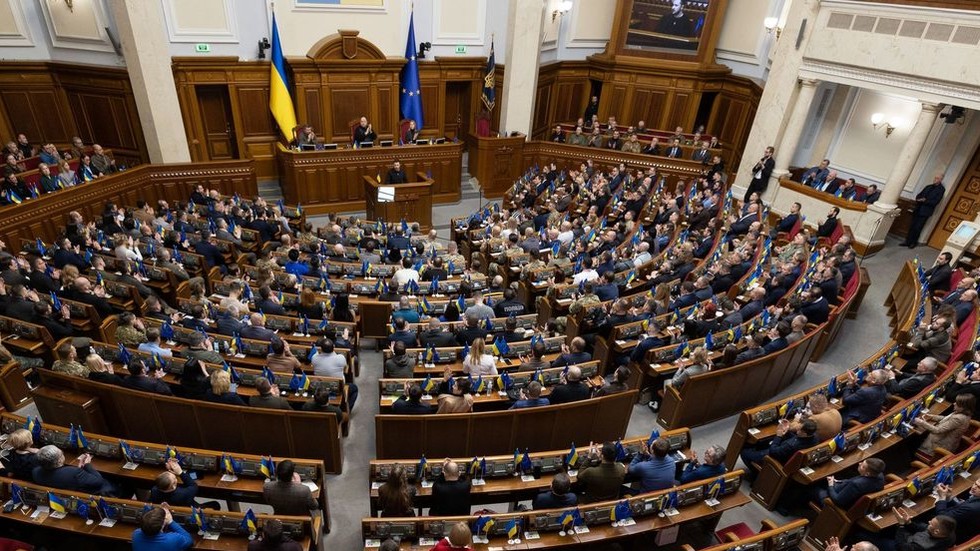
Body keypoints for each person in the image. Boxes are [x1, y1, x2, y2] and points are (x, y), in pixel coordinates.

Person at [739, 419, 818, 476]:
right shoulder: (814, 438)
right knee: (762, 442)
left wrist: (778, 436)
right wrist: (787, 430)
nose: (797, 429)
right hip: (787, 454)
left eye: (799, 429)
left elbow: (773, 452)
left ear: (804, 433)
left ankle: (758, 475)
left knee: (744, 452)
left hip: (775, 459)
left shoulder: (791, 445)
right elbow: (797, 438)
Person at [32, 445, 117, 495]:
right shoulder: (74, 473)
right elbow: (99, 481)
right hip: (94, 494)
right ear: (59, 460)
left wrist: (79, 470)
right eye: (61, 454)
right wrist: (87, 465)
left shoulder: (36, 472)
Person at [816, 458, 886, 509]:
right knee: (823, 481)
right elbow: (853, 480)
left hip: (838, 504)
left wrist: (831, 485)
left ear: (867, 474)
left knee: (814, 488)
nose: (859, 463)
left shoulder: (856, 484)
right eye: (862, 462)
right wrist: (837, 481)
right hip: (849, 493)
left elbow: (838, 500)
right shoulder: (879, 475)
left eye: (863, 466)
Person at [902, 175, 946, 248]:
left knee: (918, 228)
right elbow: (919, 195)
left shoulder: (941, 189)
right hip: (918, 208)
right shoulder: (928, 186)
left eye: (937, 178)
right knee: (912, 226)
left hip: (925, 211)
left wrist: (925, 201)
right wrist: (918, 199)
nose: (935, 179)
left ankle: (913, 242)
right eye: (935, 178)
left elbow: (935, 201)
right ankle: (907, 241)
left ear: (941, 180)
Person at [933, 478, 980, 544]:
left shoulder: (973, 507)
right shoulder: (976, 499)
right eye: (975, 483)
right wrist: (948, 497)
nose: (974, 487)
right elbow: (960, 508)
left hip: (949, 536)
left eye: (979, 487)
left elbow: (941, 519)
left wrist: (942, 498)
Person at [892, 510, 956, 551]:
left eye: (931, 524)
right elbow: (922, 528)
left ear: (936, 531)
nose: (929, 522)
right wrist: (909, 522)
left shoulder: (923, 546)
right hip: (913, 540)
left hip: (905, 546)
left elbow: (901, 547)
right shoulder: (949, 533)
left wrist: (901, 525)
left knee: (886, 539)